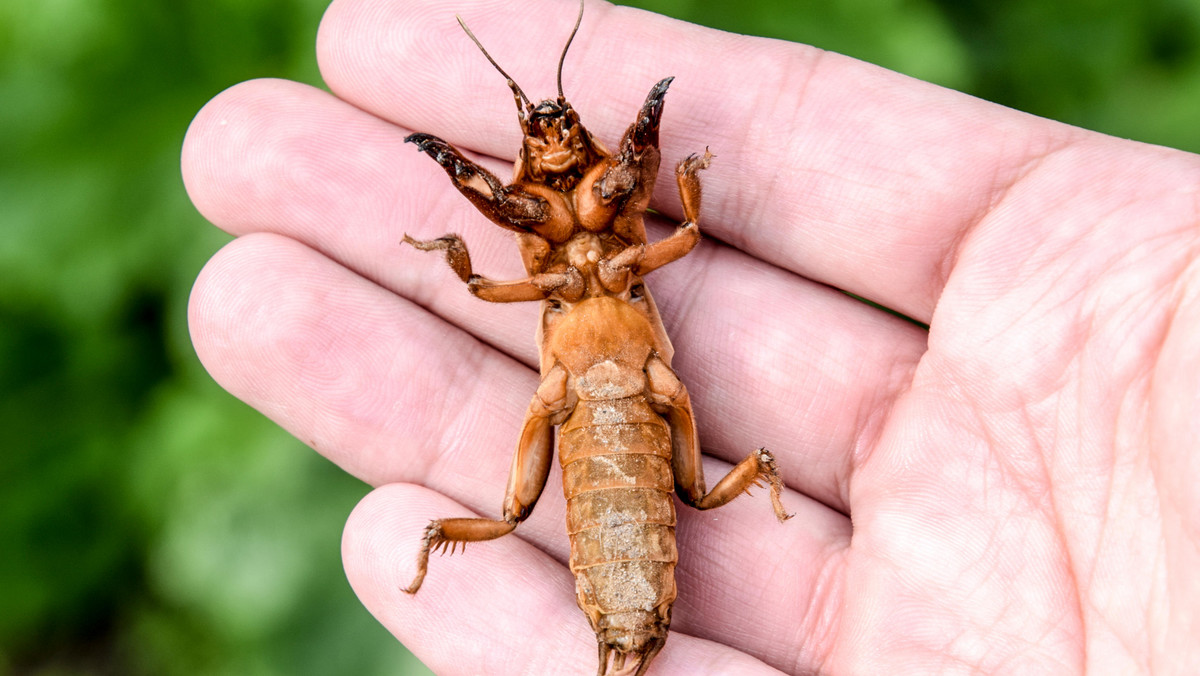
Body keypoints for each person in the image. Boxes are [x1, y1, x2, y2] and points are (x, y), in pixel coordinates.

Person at [182, 0, 1200, 673]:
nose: (553, 146)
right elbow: (522, 257)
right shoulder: (566, 242)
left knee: (617, 470)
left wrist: (642, 170)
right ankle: (519, 555)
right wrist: (460, 219)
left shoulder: (608, 233)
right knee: (512, 501)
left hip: (617, 413)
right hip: (587, 419)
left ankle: (712, 496)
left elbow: (668, 223)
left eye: (564, 137)